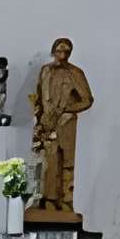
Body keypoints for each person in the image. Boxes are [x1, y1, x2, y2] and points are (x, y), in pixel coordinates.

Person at [29, 38, 93, 219]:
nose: (62, 55)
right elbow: (40, 96)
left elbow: (87, 99)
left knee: (66, 161)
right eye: (59, 51)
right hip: (47, 123)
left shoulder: (75, 73)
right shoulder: (45, 71)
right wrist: (39, 117)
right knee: (48, 163)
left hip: (66, 124)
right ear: (53, 51)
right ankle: (48, 200)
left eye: (66, 52)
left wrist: (67, 110)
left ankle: (66, 202)